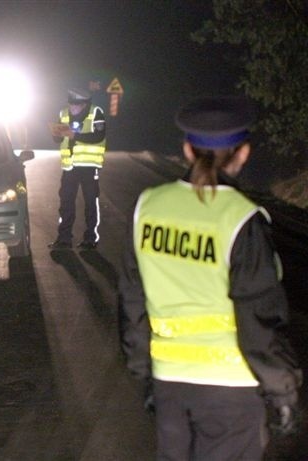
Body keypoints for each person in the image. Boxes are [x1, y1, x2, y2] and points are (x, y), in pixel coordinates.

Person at [118, 96, 302, 460]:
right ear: (244, 153)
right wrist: (282, 390)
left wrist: (145, 374)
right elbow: (258, 318)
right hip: (230, 392)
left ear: (187, 150)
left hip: (170, 383)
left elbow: (131, 300)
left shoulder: (148, 207)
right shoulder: (241, 219)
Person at [48, 88, 106, 250]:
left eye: (77, 105)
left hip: (89, 166)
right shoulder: (63, 113)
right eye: (71, 104)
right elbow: (57, 139)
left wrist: (76, 136)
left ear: (85, 104)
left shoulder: (96, 113)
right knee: (66, 202)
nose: (73, 107)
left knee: (90, 202)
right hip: (70, 167)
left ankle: (90, 239)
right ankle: (64, 238)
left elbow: (99, 136)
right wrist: (56, 133)